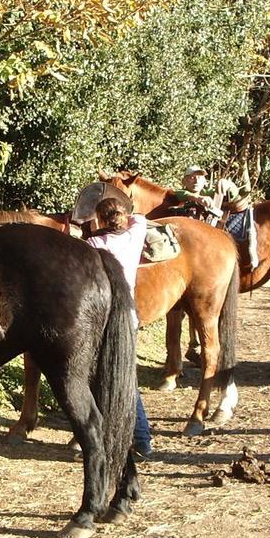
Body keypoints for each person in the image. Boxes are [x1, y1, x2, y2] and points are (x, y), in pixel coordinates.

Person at [85, 197, 153, 460]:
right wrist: (125, 214)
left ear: (100, 219)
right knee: (127, 378)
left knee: (99, 378)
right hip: (129, 318)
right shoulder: (135, 235)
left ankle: (102, 435)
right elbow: (141, 218)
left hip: (103, 319)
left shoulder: (94, 244)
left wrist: (91, 227)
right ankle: (143, 440)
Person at [171, 165, 245, 221]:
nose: (196, 181)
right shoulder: (179, 194)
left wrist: (228, 185)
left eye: (199, 178)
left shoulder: (209, 193)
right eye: (192, 178)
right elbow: (179, 193)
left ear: (204, 181)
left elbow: (233, 194)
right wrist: (196, 198)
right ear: (184, 181)